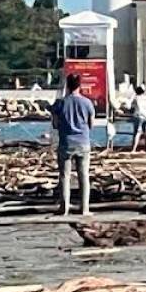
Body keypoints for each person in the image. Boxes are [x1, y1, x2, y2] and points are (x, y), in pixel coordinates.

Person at [52, 73, 95, 216]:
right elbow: (91, 124)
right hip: (83, 142)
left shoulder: (60, 103)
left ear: (68, 85)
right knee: (84, 176)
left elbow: (55, 124)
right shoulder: (87, 103)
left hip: (66, 142)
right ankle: (85, 208)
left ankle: (64, 207)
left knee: (65, 176)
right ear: (80, 85)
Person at [131, 86, 146, 153]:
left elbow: (131, 106)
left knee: (138, 133)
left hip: (140, 117)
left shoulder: (136, 98)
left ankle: (134, 149)